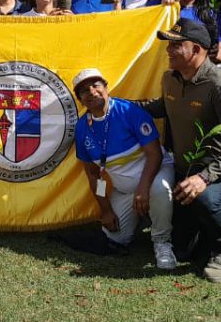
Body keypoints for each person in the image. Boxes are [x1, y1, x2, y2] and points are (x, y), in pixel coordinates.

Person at [138, 19, 221, 282]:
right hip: (182, 169)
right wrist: (114, 103)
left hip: (216, 172)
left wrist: (205, 177)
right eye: (169, 45)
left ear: (197, 50)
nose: (168, 50)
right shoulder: (170, 79)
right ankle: (207, 225)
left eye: (176, 46)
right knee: (183, 250)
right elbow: (162, 108)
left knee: (207, 200)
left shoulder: (220, 86)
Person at [72, 68, 176, 270]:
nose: (92, 92)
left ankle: (162, 242)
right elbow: (93, 174)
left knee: (159, 190)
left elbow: (155, 154)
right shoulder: (82, 128)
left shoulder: (129, 111)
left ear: (106, 88)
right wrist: (106, 210)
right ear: (80, 100)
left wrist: (143, 188)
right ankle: (149, 217)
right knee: (115, 238)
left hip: (155, 174)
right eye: (84, 90)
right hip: (125, 189)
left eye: (96, 85)